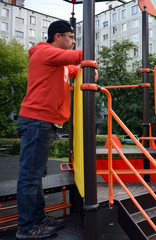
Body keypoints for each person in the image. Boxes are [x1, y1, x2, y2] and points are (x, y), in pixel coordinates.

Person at [16, 20, 89, 239]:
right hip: (36, 120)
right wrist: (88, 57)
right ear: (58, 36)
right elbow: (79, 56)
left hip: (43, 121)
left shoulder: (60, 63)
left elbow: (75, 68)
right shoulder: (45, 52)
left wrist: (87, 71)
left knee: (36, 175)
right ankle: (27, 227)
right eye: (71, 36)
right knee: (30, 176)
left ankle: (37, 218)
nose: (73, 41)